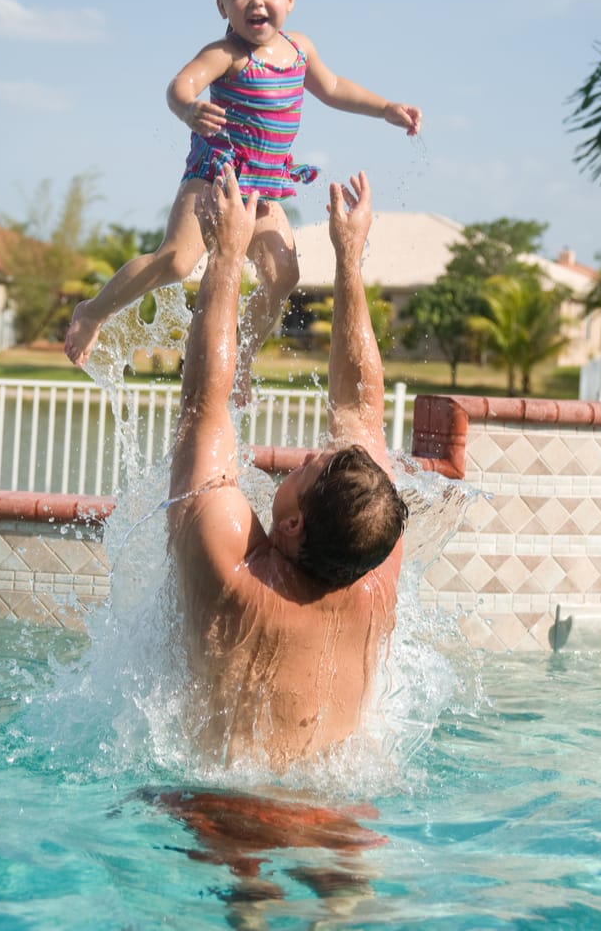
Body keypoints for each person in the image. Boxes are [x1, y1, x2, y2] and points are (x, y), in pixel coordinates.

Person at [64, 0, 421, 396]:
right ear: (221, 6)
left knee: (283, 275)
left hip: (266, 186)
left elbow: (334, 88)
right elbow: (180, 85)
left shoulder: (300, 50)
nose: (256, 1)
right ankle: (93, 311)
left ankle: (242, 356)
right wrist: (189, 110)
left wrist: (386, 107)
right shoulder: (225, 54)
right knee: (176, 260)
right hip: (215, 176)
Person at [168, 164, 408, 772]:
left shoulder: (234, 570)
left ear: (295, 525)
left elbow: (203, 408)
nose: (302, 457)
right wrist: (349, 258)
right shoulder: (376, 564)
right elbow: (360, 408)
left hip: (231, 820)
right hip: (342, 823)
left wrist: (225, 258)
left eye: (304, 470)